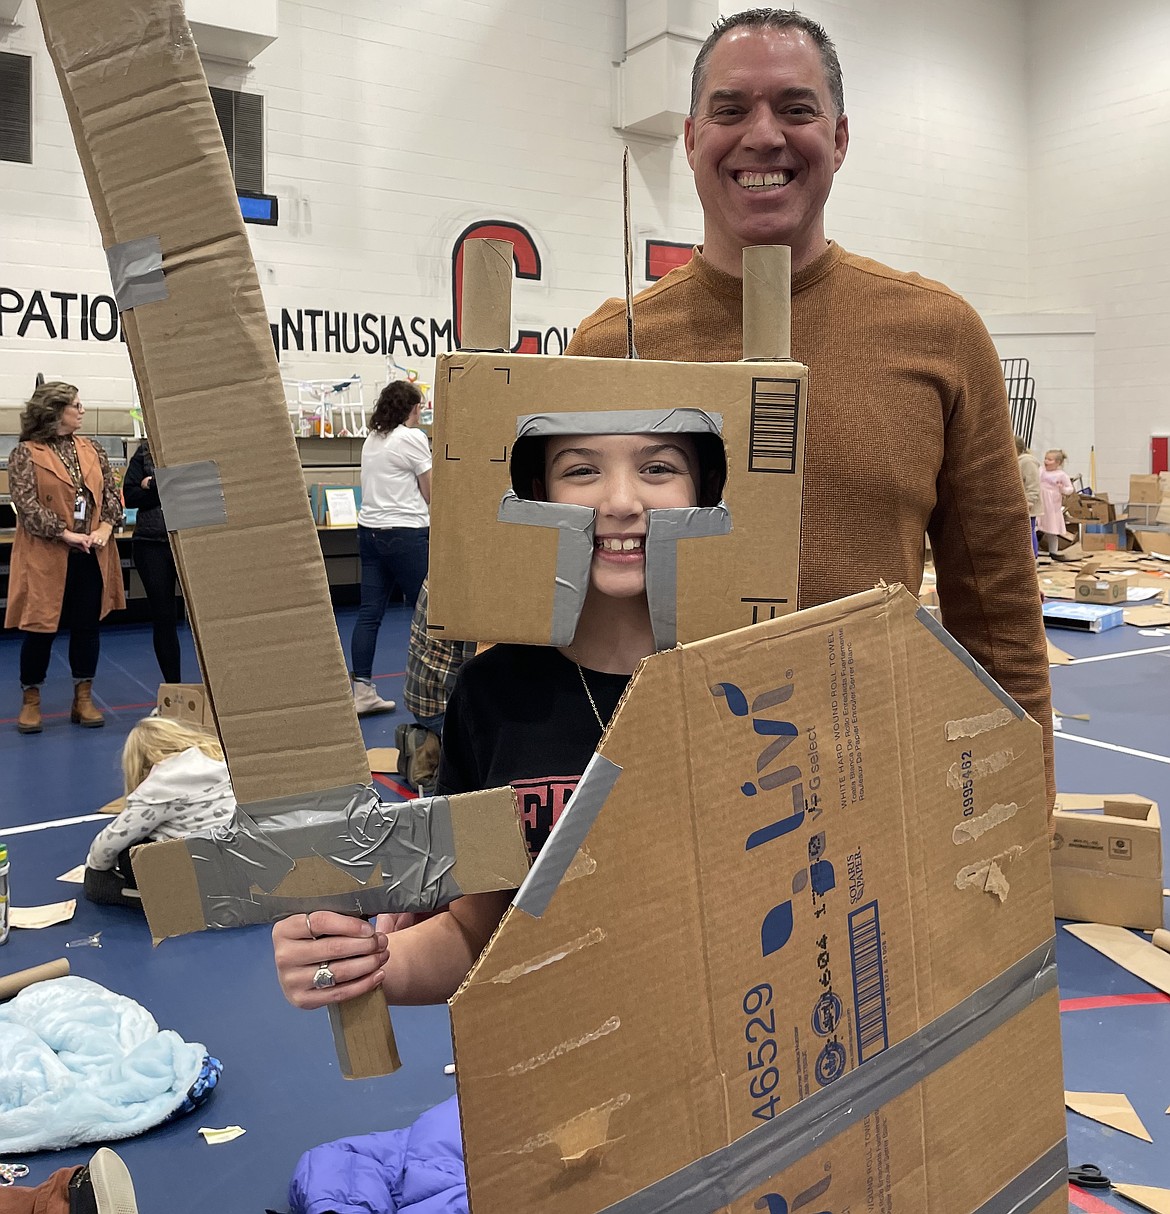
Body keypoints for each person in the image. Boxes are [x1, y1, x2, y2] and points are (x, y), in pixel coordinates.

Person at [562, 8, 1056, 806]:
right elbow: (535, 606)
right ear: (690, 137)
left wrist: (1022, 809)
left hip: (870, 791)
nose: (763, 135)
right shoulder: (611, 347)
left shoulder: (938, 334)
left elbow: (996, 608)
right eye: (730, 110)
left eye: (795, 108)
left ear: (841, 137)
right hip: (658, 795)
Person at [273, 428, 723, 1008]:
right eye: (582, 471)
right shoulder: (493, 694)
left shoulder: (759, 678)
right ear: (539, 494)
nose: (620, 501)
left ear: (706, 490)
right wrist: (357, 964)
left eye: (658, 469)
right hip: (556, 1053)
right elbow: (475, 934)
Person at [5, 381, 125, 733]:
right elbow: (26, 507)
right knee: (39, 628)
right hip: (47, 552)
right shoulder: (25, 454)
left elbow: (112, 496)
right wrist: (65, 533)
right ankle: (31, 700)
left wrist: (104, 528)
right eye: (76, 405)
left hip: (92, 551)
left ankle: (83, 698)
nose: (82, 410)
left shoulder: (93, 449)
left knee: (87, 627)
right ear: (55, 411)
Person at [83, 715, 236, 907]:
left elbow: (105, 846)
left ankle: (159, 900)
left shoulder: (160, 787)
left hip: (205, 879)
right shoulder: (222, 760)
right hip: (246, 866)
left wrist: (94, 869)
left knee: (129, 856)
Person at [349, 380, 431, 716]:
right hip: (406, 534)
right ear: (412, 408)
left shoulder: (373, 439)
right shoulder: (411, 438)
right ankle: (437, 692)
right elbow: (432, 491)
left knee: (369, 614)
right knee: (430, 614)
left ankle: (363, 690)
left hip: (369, 532)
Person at [395, 578, 476, 792]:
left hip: (424, 697)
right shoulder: (474, 588)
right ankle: (438, 753)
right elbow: (475, 679)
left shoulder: (446, 567)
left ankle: (429, 746)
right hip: (442, 705)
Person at [123, 438, 182, 684]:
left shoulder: (194, 446)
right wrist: (167, 488)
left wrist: (152, 484)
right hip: (151, 543)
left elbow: (196, 488)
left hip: (189, 543)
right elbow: (131, 495)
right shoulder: (144, 452)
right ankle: (173, 688)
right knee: (163, 617)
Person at [1037, 448, 1075, 560]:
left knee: (1052, 530)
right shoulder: (1041, 470)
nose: (1046, 461)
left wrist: (1062, 488)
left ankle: (1053, 552)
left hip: (1052, 506)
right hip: (1040, 501)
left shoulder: (1061, 475)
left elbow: (1070, 489)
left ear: (1058, 463)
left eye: (1050, 459)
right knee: (1036, 527)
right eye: (1045, 458)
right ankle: (1035, 551)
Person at [1015, 436, 1042, 557]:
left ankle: (1032, 558)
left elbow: (1033, 484)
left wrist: (1029, 502)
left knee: (1028, 532)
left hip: (1027, 505)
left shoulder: (1027, 462)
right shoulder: (1017, 460)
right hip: (1018, 503)